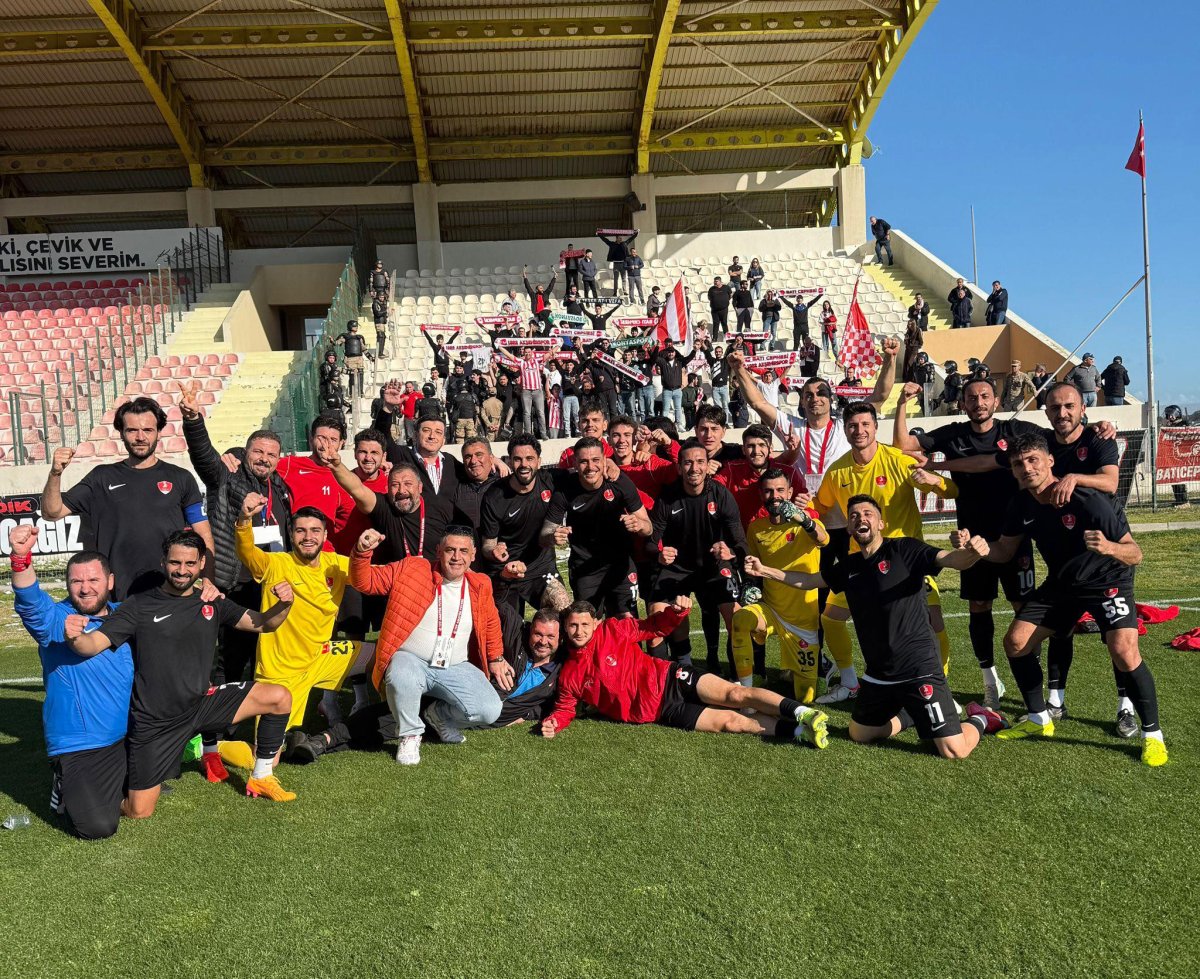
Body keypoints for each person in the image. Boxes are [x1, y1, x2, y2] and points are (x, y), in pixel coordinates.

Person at [64, 530, 299, 812]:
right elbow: (92, 645)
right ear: (163, 562)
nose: (182, 570)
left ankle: (261, 777)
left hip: (202, 704)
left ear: (201, 564)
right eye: (175, 562)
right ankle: (80, 792)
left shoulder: (211, 601)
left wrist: (285, 604)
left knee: (279, 697)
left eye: (190, 563)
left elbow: (263, 623)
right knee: (139, 811)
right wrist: (75, 638)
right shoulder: (139, 605)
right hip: (156, 722)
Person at [757, 495, 1005, 757]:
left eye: (868, 513)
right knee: (860, 734)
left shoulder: (905, 550)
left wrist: (973, 553)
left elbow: (952, 559)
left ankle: (982, 717)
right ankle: (911, 716)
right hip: (879, 675)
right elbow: (808, 581)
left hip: (919, 669)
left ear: (881, 523)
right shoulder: (850, 566)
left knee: (954, 750)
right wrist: (765, 570)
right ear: (849, 528)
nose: (860, 518)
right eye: (854, 516)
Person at [983, 434, 1166, 766]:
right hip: (1062, 584)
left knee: (1124, 651)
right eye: (1018, 464)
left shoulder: (1087, 499)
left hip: (1107, 579)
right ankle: (1039, 719)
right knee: (1016, 642)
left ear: (1050, 461)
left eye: (1033, 460)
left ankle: (1153, 736)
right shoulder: (1020, 504)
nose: (1026, 468)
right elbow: (1004, 551)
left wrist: (1108, 547)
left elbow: (1135, 553)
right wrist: (978, 547)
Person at [892, 377, 1040, 706]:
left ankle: (1032, 676)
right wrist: (902, 403)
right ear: (963, 404)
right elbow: (903, 444)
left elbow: (1056, 435)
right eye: (971, 398)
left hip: (1014, 537)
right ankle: (990, 682)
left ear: (996, 401)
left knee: (1024, 609)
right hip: (971, 539)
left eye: (985, 396)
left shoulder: (1014, 431)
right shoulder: (954, 434)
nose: (979, 402)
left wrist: (1100, 429)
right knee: (979, 606)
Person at [815, 401, 958, 705]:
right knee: (831, 618)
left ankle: (940, 686)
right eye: (853, 426)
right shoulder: (837, 470)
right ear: (845, 430)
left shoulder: (898, 460)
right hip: (861, 562)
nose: (859, 430)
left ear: (876, 427)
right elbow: (821, 505)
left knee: (934, 623)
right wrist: (805, 507)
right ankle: (850, 683)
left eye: (865, 424)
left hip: (906, 562)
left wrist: (934, 480)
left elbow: (952, 491)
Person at [539, 598, 829, 746]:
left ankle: (804, 713)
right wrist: (554, 722)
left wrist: (676, 613)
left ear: (596, 624)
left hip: (670, 679)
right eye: (573, 626)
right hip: (662, 712)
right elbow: (565, 708)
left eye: (585, 625)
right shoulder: (570, 674)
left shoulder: (614, 630)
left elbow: (653, 627)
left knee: (734, 694)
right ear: (566, 627)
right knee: (731, 723)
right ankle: (800, 732)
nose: (579, 631)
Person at [9, 526, 133, 839]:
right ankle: (63, 781)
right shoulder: (56, 619)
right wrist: (21, 558)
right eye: (76, 581)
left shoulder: (125, 615)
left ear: (110, 581)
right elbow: (30, 601)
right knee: (97, 827)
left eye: (93, 580)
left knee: (141, 798)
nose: (85, 588)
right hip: (81, 743)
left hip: (128, 735)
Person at [350, 526, 506, 765]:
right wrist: (362, 552)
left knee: (490, 709)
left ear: (473, 555)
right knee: (401, 674)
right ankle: (410, 734)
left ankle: (439, 716)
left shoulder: (480, 583)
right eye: (450, 550)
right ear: (438, 551)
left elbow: (491, 621)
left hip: (455, 665)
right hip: (411, 658)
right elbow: (365, 582)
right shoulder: (412, 569)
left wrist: (495, 657)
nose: (456, 557)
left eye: (463, 551)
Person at [227, 495, 374, 742]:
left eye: (315, 531)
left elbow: (373, 576)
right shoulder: (275, 564)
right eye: (301, 531)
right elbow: (247, 552)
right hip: (281, 671)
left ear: (325, 536)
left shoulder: (334, 564)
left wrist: (365, 551)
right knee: (265, 752)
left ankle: (390, 724)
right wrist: (244, 519)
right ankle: (216, 748)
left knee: (387, 658)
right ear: (291, 534)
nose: (308, 537)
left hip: (322, 655)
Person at [41, 397, 212, 600]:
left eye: (148, 430)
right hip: (116, 596)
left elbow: (203, 534)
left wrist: (208, 579)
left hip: (169, 593)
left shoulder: (181, 478)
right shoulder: (101, 477)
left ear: (159, 432)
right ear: (121, 433)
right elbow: (52, 512)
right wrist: (55, 474)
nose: (140, 437)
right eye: (132, 430)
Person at [179, 385, 293, 686]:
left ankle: (259, 706)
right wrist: (193, 421)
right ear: (246, 452)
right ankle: (223, 710)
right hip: (235, 583)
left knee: (266, 653)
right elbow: (204, 456)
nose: (264, 459)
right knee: (231, 657)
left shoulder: (280, 487)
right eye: (258, 452)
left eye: (271, 454)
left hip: (269, 584)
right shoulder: (227, 475)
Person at [1034, 382, 1124, 727]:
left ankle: (1126, 706)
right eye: (1055, 407)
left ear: (1083, 408)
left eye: (1069, 406)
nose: (1062, 413)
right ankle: (1056, 700)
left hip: (1105, 551)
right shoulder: (1041, 442)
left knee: (1118, 638)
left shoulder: (1098, 439)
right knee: (1061, 629)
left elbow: (1111, 482)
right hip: (1065, 554)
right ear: (1046, 412)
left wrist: (1073, 477)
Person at [647, 441, 748, 666]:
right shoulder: (667, 497)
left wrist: (730, 552)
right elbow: (651, 543)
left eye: (700, 462)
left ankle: (739, 677)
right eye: (688, 463)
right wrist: (659, 554)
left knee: (738, 619)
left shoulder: (721, 495)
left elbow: (740, 541)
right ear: (679, 467)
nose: (694, 468)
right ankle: (680, 669)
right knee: (656, 618)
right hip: (677, 568)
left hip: (713, 566)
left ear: (707, 464)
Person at [734, 473, 827, 695]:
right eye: (768, 491)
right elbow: (754, 567)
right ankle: (746, 693)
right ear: (761, 494)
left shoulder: (806, 523)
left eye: (780, 490)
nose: (774, 496)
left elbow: (823, 539)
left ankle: (822, 669)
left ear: (790, 493)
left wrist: (803, 519)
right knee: (740, 619)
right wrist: (750, 585)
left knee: (806, 696)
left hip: (802, 621)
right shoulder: (756, 528)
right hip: (771, 611)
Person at [542, 437, 651, 617]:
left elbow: (648, 527)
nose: (590, 467)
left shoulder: (620, 482)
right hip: (584, 570)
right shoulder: (565, 490)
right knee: (588, 626)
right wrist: (552, 536)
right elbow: (545, 533)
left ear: (604, 461)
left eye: (595, 460)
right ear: (575, 463)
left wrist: (639, 525)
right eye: (584, 461)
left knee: (627, 625)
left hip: (620, 565)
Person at [479, 435, 566, 613]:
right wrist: (494, 552)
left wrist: (609, 464)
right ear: (510, 461)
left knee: (563, 609)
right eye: (517, 459)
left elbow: (586, 471)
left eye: (529, 458)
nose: (524, 464)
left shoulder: (551, 480)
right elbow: (487, 545)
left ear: (539, 462)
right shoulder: (494, 496)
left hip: (540, 567)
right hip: (507, 571)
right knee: (510, 628)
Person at [275, 413, 354, 541]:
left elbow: (352, 516)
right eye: (321, 438)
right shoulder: (290, 464)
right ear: (311, 439)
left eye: (333, 440)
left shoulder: (342, 477)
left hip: (325, 548)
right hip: (297, 544)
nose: (326, 444)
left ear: (341, 444)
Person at [654, 340, 695, 431]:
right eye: (669, 352)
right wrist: (657, 347)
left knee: (678, 408)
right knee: (665, 409)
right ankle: (664, 426)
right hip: (667, 390)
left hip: (677, 390)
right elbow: (654, 357)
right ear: (667, 353)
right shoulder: (663, 362)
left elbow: (688, 358)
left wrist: (694, 350)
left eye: (672, 352)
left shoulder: (679, 362)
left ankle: (678, 424)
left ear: (675, 353)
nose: (671, 354)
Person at [333, 319, 367, 401]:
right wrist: (333, 342)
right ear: (350, 327)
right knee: (352, 375)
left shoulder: (359, 337)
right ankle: (352, 393)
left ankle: (361, 391)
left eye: (356, 326)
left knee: (360, 374)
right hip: (350, 359)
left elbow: (363, 348)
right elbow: (337, 342)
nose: (356, 327)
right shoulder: (346, 337)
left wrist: (370, 357)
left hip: (359, 358)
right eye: (355, 326)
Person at [598, 230, 637, 298]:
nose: (621, 239)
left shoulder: (624, 244)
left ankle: (624, 291)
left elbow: (630, 239)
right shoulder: (612, 244)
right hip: (616, 264)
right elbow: (605, 240)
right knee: (615, 279)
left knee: (624, 278)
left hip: (623, 264)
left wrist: (636, 234)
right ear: (616, 238)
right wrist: (599, 234)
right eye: (619, 238)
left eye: (621, 238)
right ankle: (615, 292)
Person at [371, 289, 389, 358]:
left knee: (383, 336)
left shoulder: (382, 303)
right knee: (381, 336)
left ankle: (381, 352)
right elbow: (378, 313)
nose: (382, 298)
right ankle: (379, 352)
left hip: (382, 322)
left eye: (383, 297)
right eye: (381, 297)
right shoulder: (376, 303)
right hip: (378, 322)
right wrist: (385, 311)